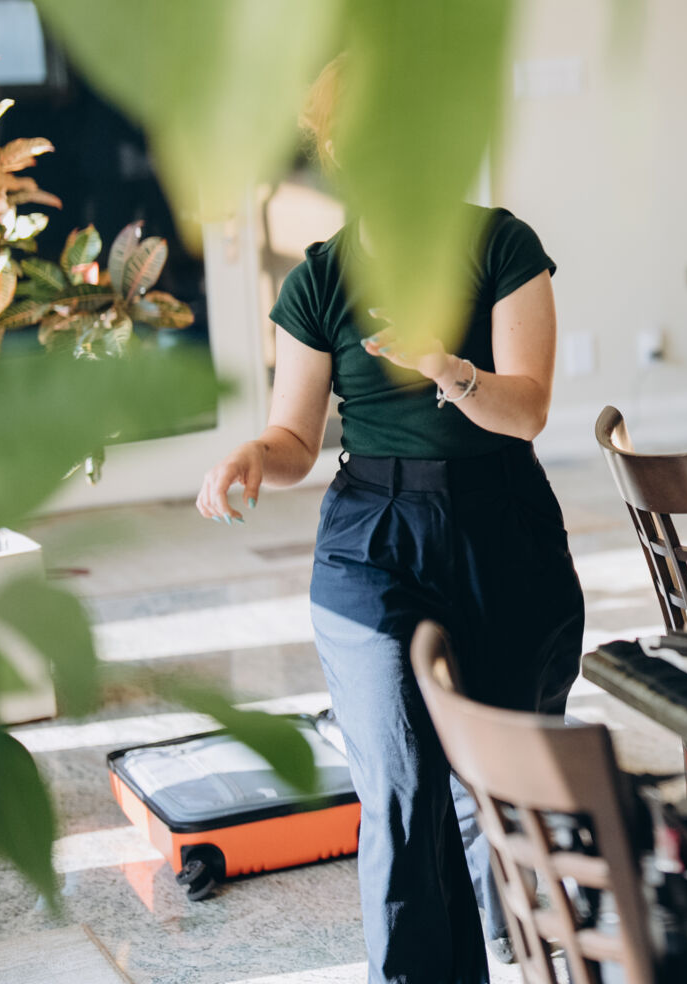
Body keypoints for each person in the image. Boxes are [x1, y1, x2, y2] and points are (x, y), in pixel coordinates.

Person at [195, 58, 584, 984]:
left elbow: (528, 411)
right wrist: (254, 456)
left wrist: (447, 367)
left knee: (507, 774)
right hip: (371, 536)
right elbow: (297, 437)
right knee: (404, 787)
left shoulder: (502, 245)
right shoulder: (320, 278)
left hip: (502, 521)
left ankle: (524, 931)